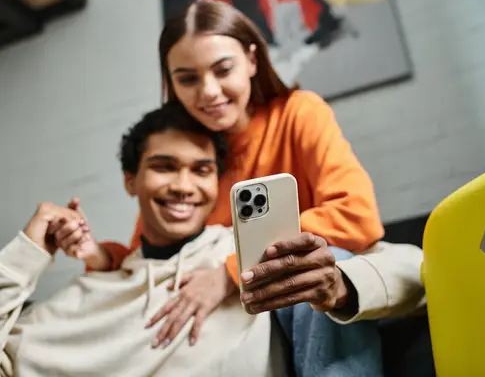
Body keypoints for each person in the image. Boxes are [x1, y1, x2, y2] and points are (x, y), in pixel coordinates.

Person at [61, 0, 392, 348]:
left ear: (251, 60)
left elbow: (356, 216)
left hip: (301, 301)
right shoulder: (188, 155)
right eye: (187, 79)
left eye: (222, 70)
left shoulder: (299, 113)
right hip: (228, 328)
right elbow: (147, 257)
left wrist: (231, 274)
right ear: (171, 84)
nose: (209, 92)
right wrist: (95, 254)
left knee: (315, 268)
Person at [0, 104, 424, 376]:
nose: (184, 185)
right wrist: (28, 252)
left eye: (201, 170)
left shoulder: (247, 255)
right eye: (165, 167)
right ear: (131, 181)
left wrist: (338, 286)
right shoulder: (90, 292)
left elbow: (418, 272)